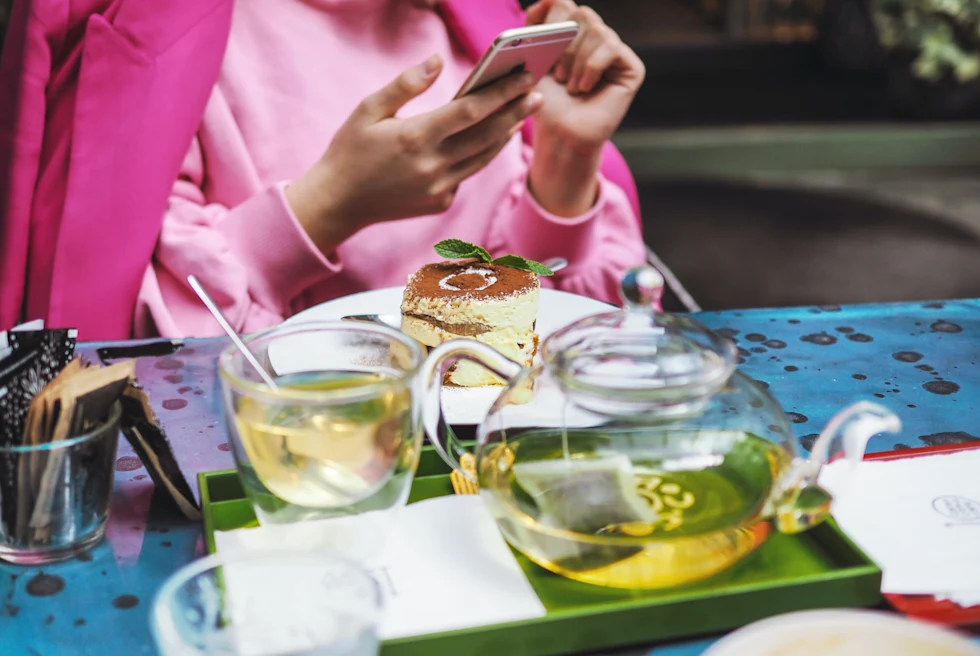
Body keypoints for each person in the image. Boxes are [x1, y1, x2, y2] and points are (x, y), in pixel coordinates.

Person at [143, 0, 651, 338]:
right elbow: (154, 351)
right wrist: (327, 206)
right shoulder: (179, 40)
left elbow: (566, 332)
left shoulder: (467, 22)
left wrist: (563, 154)